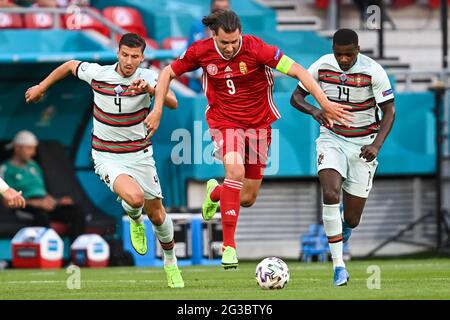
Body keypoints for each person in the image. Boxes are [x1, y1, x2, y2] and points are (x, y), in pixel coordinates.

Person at [146, 10, 352, 270]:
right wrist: (157, 109)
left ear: (240, 33)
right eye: (224, 43)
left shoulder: (256, 48)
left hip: (258, 124)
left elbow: (298, 70)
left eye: (234, 41)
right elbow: (166, 73)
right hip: (224, 121)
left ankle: (216, 192)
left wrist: (324, 103)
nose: (230, 47)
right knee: (235, 170)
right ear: (214, 36)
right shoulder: (201, 51)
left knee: (247, 197)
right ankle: (229, 246)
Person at [24, 33, 184, 288]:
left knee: (157, 214)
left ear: (142, 57)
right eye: (125, 54)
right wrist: (42, 87)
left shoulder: (150, 77)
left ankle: (170, 261)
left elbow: (174, 102)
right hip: (107, 155)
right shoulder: (98, 73)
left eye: (135, 56)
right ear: (117, 53)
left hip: (140, 155)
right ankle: (134, 218)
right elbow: (69, 66)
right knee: (135, 199)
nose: (129, 61)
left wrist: (150, 90)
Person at [290, 28, 395, 286]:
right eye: (339, 54)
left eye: (348, 55)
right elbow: (296, 97)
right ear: (333, 51)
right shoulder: (321, 66)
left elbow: (390, 111)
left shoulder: (374, 71)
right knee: (330, 194)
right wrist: (314, 110)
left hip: (363, 145)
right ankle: (339, 266)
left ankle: (344, 229)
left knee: (352, 219)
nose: (344, 60)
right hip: (332, 138)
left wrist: (376, 146)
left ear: (357, 50)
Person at [0, 130, 85, 241]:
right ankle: (46, 253)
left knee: (76, 212)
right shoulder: (5, 169)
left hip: (44, 204)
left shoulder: (34, 166)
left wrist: (57, 201)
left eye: (34, 148)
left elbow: (41, 192)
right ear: (17, 148)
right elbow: (7, 202)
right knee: (41, 217)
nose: (33, 153)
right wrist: (36, 203)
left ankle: (76, 252)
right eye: (29, 148)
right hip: (25, 206)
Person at [187, 0, 231, 92]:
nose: (221, 12)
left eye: (224, 8)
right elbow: (192, 56)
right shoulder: (198, 27)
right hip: (199, 86)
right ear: (211, 8)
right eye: (217, 8)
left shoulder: (233, 29)